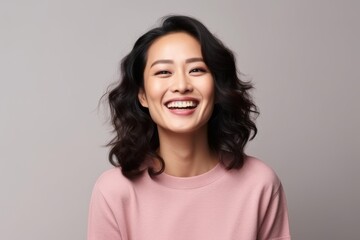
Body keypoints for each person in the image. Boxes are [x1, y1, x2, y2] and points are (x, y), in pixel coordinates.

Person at [87, 15, 291, 240]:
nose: (182, 86)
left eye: (196, 70)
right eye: (163, 72)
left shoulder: (259, 183)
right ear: (143, 95)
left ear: (216, 88)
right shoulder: (115, 191)